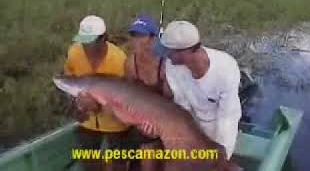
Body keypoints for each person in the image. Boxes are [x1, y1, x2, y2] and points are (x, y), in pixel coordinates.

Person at [154, 21, 242, 160]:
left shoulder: (226, 68)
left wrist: (221, 156)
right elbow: (183, 107)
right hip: (193, 123)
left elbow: (227, 118)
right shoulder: (172, 66)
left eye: (168, 51)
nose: (165, 56)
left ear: (185, 52)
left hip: (218, 124)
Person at [63, 15, 132, 171]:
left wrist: (100, 106)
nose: (86, 46)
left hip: (115, 122)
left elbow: (125, 96)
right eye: (83, 41)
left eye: (91, 41)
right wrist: (76, 103)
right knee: (88, 161)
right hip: (87, 121)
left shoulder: (119, 60)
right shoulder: (74, 52)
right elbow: (69, 80)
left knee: (119, 162)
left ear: (104, 38)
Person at [125, 15, 164, 171]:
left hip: (167, 115)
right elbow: (129, 96)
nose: (136, 40)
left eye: (141, 35)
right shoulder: (130, 64)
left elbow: (175, 100)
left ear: (153, 38)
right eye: (134, 35)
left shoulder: (165, 64)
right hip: (144, 120)